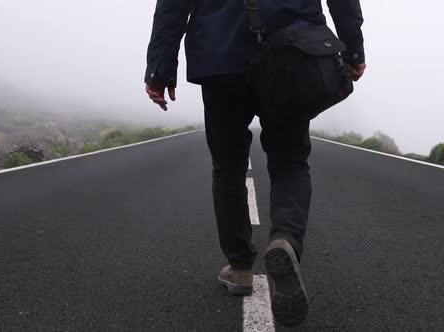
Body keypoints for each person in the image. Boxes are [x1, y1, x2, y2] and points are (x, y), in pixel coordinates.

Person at [145, 0, 365, 327]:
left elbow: (173, 5)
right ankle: (285, 239)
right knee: (289, 159)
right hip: (292, 48)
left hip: (220, 53)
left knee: (229, 166)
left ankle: (240, 267)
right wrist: (354, 50)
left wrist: (159, 68)